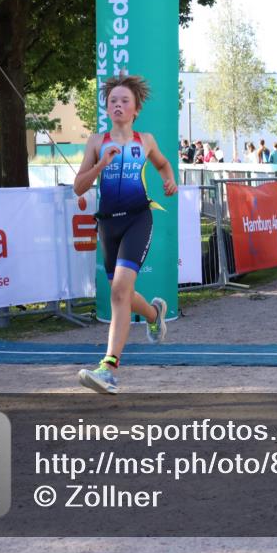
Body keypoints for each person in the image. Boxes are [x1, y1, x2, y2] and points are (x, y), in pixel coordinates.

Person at [72, 73, 177, 394]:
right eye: (113, 101)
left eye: (124, 101)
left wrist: (169, 180)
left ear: (136, 109)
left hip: (137, 219)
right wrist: (101, 164)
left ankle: (108, 368)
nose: (118, 105)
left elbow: (162, 164)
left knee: (119, 290)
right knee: (123, 294)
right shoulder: (95, 143)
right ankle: (154, 313)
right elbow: (79, 186)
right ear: (106, 108)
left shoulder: (145, 141)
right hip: (108, 224)